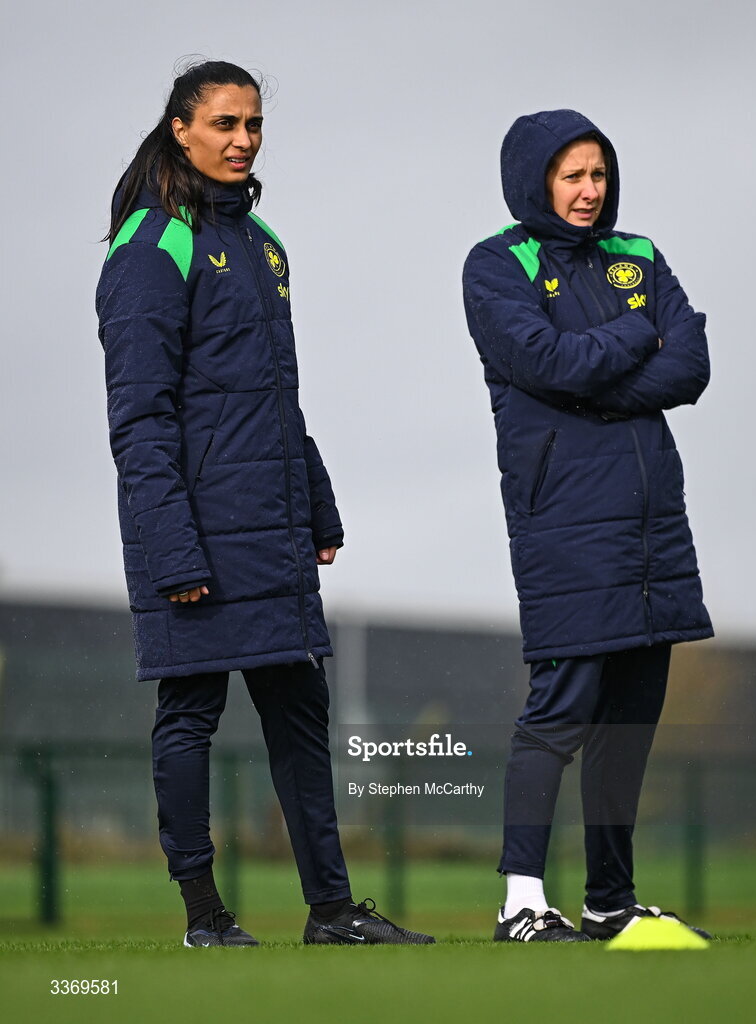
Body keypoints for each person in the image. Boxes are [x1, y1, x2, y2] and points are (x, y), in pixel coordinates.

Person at [96, 59, 433, 948]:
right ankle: (204, 916)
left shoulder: (264, 244)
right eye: (223, 124)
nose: (242, 140)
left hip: (272, 535)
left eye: (252, 125)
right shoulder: (149, 246)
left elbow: (275, 397)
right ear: (180, 128)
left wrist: (314, 508)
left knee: (301, 717)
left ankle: (331, 912)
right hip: (197, 537)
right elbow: (139, 419)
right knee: (191, 715)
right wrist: (173, 551)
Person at [462, 109, 714, 943]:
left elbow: (692, 367)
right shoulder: (496, 265)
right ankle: (521, 903)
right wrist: (640, 334)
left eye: (597, 175)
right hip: (564, 520)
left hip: (652, 525)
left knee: (630, 721)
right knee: (559, 711)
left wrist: (599, 375)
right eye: (571, 176)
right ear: (535, 179)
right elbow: (547, 364)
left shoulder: (638, 255)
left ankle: (609, 900)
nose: (587, 192)